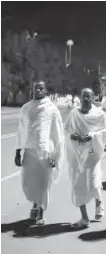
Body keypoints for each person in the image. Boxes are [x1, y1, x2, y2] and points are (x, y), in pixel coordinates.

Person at [15, 81, 65, 225]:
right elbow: (21, 131)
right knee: (28, 182)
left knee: (43, 183)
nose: (37, 90)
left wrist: (55, 155)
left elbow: (58, 133)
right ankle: (35, 203)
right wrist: (18, 152)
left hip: (46, 151)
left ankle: (41, 212)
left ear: (45, 90)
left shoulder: (52, 109)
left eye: (41, 88)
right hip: (30, 151)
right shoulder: (26, 108)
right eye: (35, 88)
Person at [64, 88, 106, 229]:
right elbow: (66, 130)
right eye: (83, 96)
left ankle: (99, 201)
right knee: (78, 186)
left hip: (92, 154)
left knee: (94, 184)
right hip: (77, 154)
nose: (85, 99)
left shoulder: (99, 114)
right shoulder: (74, 113)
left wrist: (92, 136)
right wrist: (72, 135)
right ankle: (84, 218)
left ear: (93, 98)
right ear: (80, 97)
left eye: (88, 97)